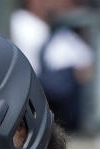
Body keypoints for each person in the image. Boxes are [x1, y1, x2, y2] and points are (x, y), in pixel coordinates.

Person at [9, 0, 93, 131]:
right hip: (28, 112)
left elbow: (86, 68)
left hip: (59, 120)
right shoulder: (20, 23)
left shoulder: (62, 31)